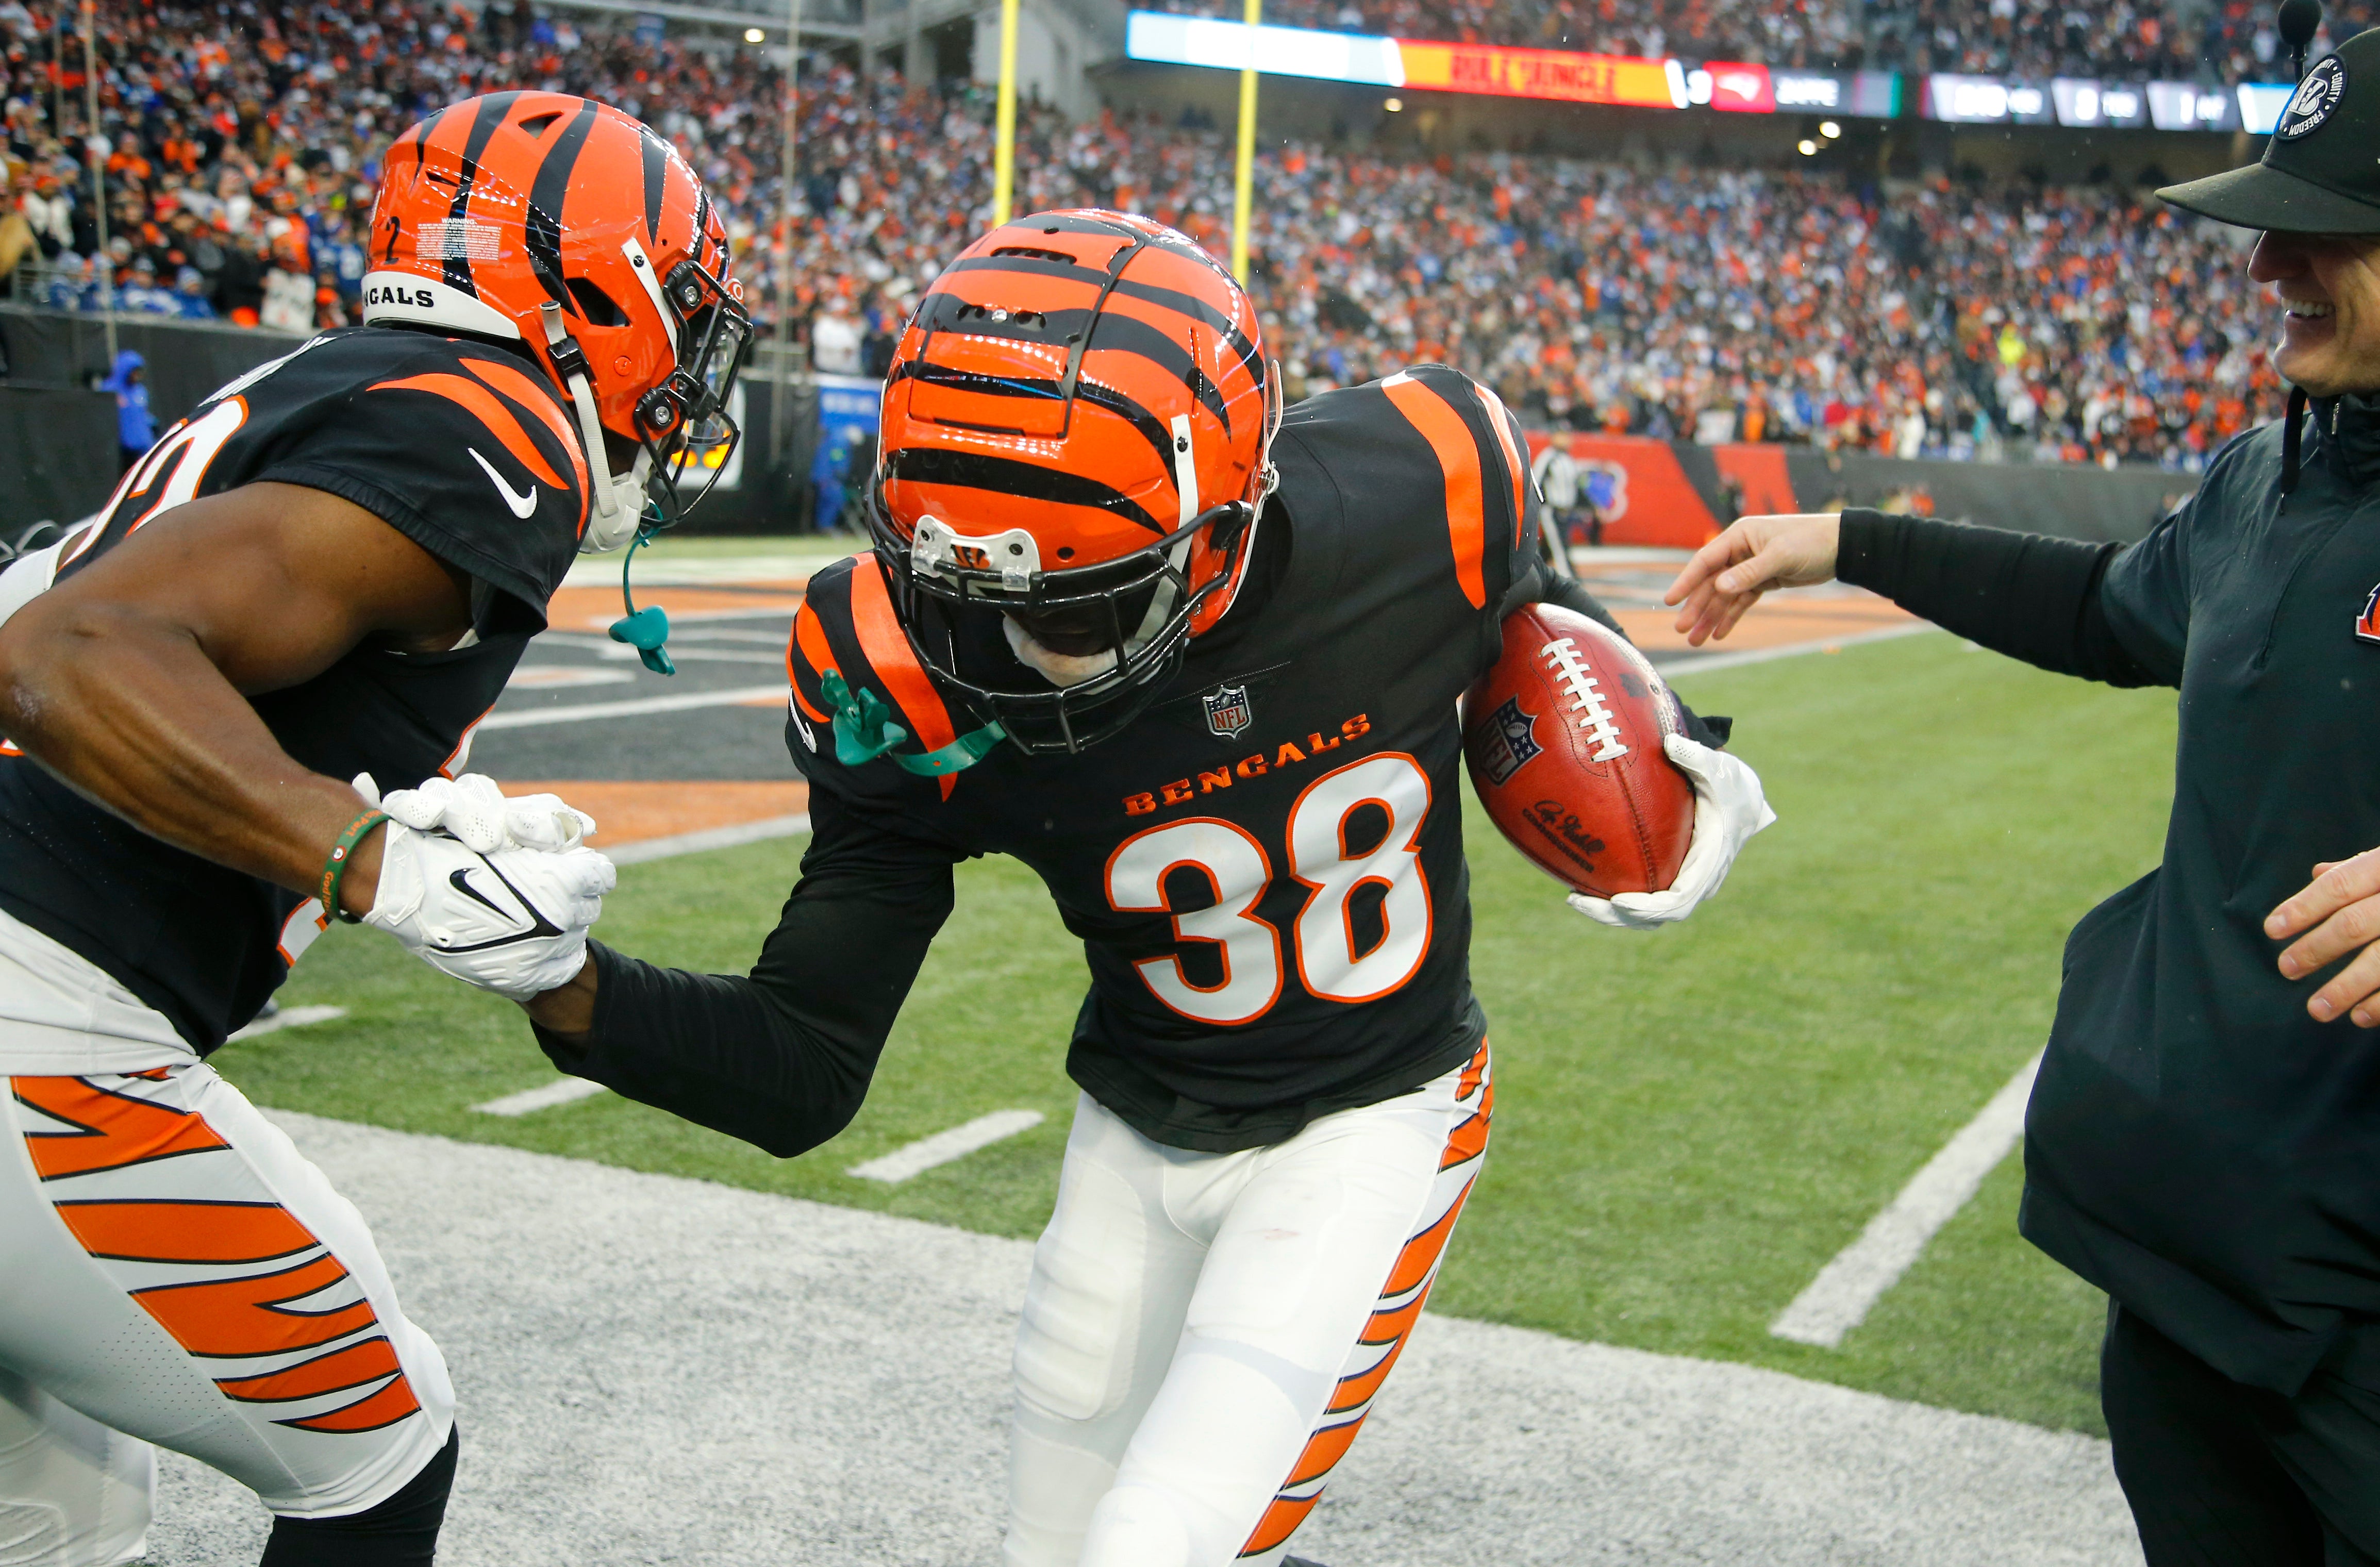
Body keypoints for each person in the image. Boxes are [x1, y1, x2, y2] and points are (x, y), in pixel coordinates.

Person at [524, 208, 1775, 1567]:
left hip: (1371, 1122)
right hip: (1131, 1129)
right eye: (964, 592)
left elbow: (1545, 622)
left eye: (1084, 606)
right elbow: (803, 1065)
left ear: (1226, 518)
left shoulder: (1430, 480)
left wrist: (1675, 758)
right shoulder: (890, 654)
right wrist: (561, 983)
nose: (1015, 654)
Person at [0, 90, 748, 1567]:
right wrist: (373, 860)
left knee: (61, 1523)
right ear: (593, 281)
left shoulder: (343, 383)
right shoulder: (495, 422)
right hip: (41, 1024)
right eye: (680, 305)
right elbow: (72, 656)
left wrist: (364, 795)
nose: (689, 354)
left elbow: (52, 605)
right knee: (377, 1449)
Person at [1660, 30, 2380, 1562]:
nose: (2266, 266)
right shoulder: (2273, 474)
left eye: (2325, 228)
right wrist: (1857, 540)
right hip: (2202, 1268)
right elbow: (2110, 605)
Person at [99, 350, 152, 473]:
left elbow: (142, 416)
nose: (137, 376)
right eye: (134, 372)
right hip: (118, 451)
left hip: (141, 448)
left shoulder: (140, 391)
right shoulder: (109, 390)